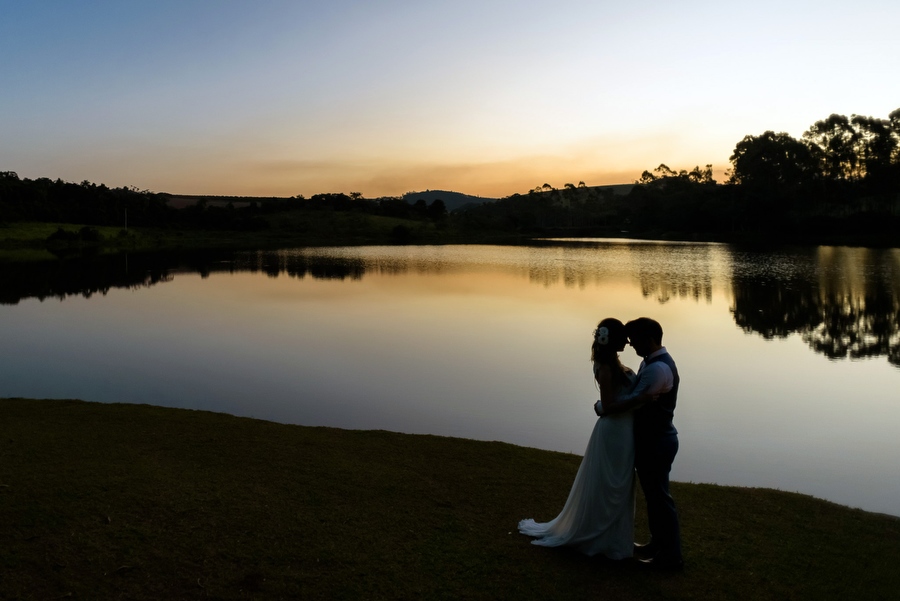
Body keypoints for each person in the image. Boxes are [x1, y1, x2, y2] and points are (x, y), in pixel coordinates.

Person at [518, 318, 652, 559]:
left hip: (623, 432)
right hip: (614, 433)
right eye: (623, 337)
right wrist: (642, 399)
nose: (628, 341)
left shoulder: (614, 364)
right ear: (612, 339)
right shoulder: (605, 367)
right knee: (611, 485)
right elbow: (610, 405)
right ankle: (600, 538)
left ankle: (615, 540)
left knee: (620, 485)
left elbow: (608, 403)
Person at [601, 317, 683, 570]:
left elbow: (636, 401)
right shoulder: (650, 362)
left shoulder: (658, 369)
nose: (631, 345)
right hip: (653, 439)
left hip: (657, 441)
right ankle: (656, 544)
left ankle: (670, 558)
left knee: (659, 498)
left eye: (634, 340)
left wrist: (601, 406)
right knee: (654, 497)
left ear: (648, 339)